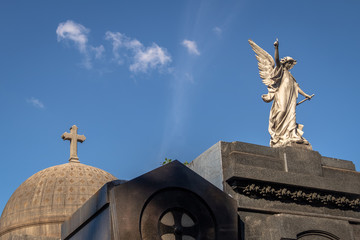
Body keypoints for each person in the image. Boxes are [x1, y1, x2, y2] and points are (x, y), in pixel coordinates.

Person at [261, 39, 312, 147]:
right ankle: (278, 135)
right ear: (286, 63)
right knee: (282, 110)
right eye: (289, 62)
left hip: (291, 97)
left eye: (291, 63)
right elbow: (276, 59)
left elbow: (296, 87)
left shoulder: (291, 76)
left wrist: (305, 95)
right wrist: (276, 48)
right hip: (281, 94)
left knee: (292, 114)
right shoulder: (280, 70)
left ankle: (292, 134)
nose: (290, 65)